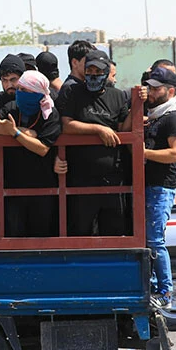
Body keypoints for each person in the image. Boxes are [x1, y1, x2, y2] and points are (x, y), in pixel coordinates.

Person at [56, 50, 135, 236]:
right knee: (82, 232)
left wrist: (137, 107)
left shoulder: (117, 96)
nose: (93, 75)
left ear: (106, 72)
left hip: (112, 179)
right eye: (89, 70)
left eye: (98, 71)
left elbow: (124, 128)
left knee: (113, 231)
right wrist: (99, 129)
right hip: (81, 179)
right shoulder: (72, 91)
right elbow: (65, 125)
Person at [0, 71, 61, 237]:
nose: (19, 93)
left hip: (41, 186)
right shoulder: (11, 107)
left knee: (39, 234)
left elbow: (42, 148)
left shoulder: (50, 114)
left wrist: (14, 133)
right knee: (13, 234)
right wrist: (23, 132)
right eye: (18, 88)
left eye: (24, 90)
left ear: (37, 94)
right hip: (12, 184)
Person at [142, 66, 176, 308]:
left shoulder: (173, 118)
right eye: (150, 87)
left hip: (161, 187)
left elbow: (175, 153)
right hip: (149, 185)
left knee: (155, 240)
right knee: (148, 241)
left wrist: (145, 153)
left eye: (156, 88)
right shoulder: (156, 115)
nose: (151, 91)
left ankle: (165, 293)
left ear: (170, 91)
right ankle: (151, 287)